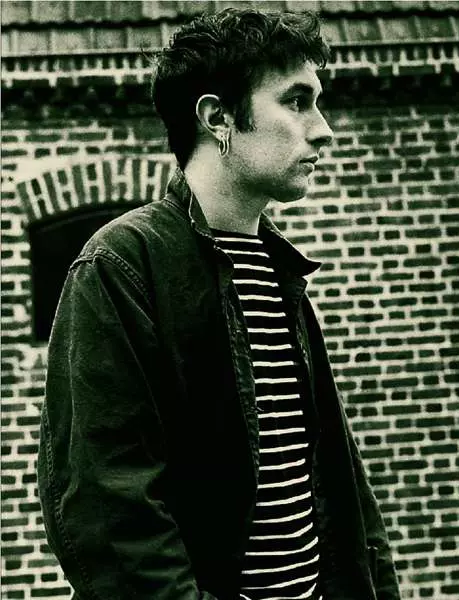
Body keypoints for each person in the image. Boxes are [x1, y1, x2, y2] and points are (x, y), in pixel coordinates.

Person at [37, 8, 402, 600]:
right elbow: (111, 518)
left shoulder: (281, 271)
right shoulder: (121, 267)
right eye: (297, 101)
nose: (323, 130)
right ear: (217, 117)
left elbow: (341, 489)